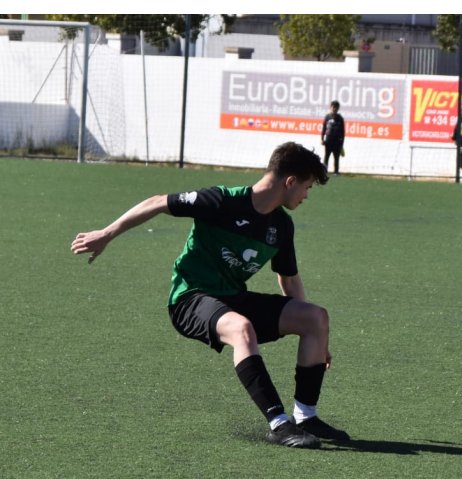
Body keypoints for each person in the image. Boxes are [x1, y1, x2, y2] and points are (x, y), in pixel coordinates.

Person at [70, 142, 349, 449]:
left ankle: (306, 417)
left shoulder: (281, 225)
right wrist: (106, 234)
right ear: (290, 181)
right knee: (241, 328)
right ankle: (279, 424)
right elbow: (158, 202)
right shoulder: (222, 201)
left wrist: (319, 340)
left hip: (233, 298)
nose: (306, 195)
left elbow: (289, 278)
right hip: (190, 298)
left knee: (315, 317)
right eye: (307, 187)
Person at [321, 100, 345, 175]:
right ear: (330, 107)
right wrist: (322, 139)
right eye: (333, 107)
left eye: (336, 107)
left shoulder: (340, 118)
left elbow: (343, 132)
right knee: (326, 156)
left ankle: (336, 171)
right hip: (328, 140)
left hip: (337, 141)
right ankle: (324, 171)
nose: (334, 109)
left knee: (336, 157)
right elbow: (324, 129)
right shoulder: (327, 117)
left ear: (338, 108)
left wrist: (342, 143)